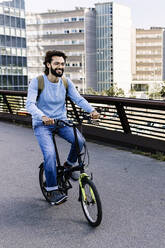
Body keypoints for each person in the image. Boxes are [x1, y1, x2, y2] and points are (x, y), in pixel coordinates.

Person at [26, 50, 99, 205]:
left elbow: (78, 99)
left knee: (80, 141)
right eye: (56, 63)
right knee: (50, 155)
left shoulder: (65, 82)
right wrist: (43, 117)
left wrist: (92, 110)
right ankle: (52, 190)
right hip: (42, 125)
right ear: (48, 65)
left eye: (62, 64)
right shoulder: (37, 81)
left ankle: (68, 166)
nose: (60, 66)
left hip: (61, 122)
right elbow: (30, 104)